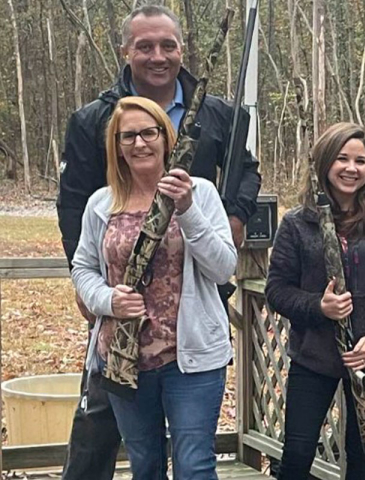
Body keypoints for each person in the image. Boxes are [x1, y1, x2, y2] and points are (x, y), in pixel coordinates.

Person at [56, 5, 260, 479]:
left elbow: (245, 173)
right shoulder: (94, 119)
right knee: (107, 433)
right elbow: (74, 208)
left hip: (191, 299)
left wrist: (231, 217)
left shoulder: (217, 114)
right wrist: (91, 291)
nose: (157, 56)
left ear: (181, 50)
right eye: (144, 46)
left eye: (168, 45)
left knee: (193, 458)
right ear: (125, 51)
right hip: (121, 316)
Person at [71, 96, 237, 479]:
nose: (140, 143)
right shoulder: (101, 204)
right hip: (124, 358)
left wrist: (187, 209)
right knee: (145, 465)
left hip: (190, 358)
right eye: (128, 136)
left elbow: (223, 267)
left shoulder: (201, 193)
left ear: (166, 137)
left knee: (194, 466)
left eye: (149, 132)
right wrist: (108, 300)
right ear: (117, 146)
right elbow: (84, 267)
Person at [265, 122, 365, 479]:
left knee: (363, 457)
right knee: (297, 455)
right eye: (342, 159)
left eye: (360, 161)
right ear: (325, 163)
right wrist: (318, 307)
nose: (352, 168)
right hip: (313, 358)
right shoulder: (297, 223)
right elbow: (278, 290)